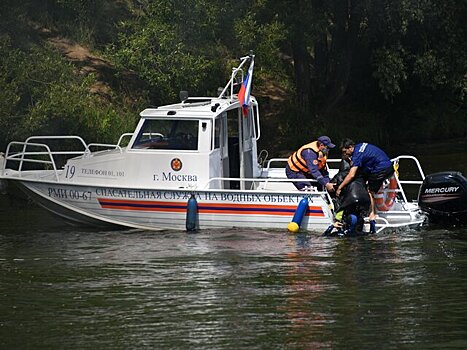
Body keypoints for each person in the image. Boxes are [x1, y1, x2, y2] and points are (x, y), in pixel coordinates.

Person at [336, 138, 394, 223]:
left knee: (370, 190)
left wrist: (340, 188)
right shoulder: (360, 146)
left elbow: (351, 175)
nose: (345, 154)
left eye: (345, 151)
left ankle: (372, 214)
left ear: (351, 148)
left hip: (381, 169)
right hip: (388, 166)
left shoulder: (357, 155)